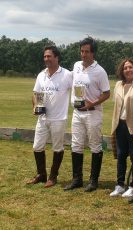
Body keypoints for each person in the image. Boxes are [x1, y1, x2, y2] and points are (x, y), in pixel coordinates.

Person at [64, 37, 110, 192]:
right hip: (77, 112)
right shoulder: (77, 66)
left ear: (93, 53)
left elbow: (107, 93)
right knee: (76, 144)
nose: (83, 55)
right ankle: (77, 179)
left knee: (95, 145)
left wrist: (92, 103)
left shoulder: (100, 71)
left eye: (87, 52)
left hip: (92, 113)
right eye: (82, 51)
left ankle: (93, 181)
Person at [27, 45, 73, 188]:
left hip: (59, 118)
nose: (46, 59)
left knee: (57, 148)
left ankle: (53, 177)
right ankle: (41, 175)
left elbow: (79, 90)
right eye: (45, 56)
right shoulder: (41, 75)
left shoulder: (67, 75)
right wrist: (35, 106)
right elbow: (36, 94)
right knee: (37, 146)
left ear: (57, 57)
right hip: (43, 118)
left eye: (49, 56)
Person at [110, 59, 133, 197]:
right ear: (122, 71)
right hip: (119, 125)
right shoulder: (117, 85)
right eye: (125, 68)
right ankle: (120, 184)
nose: (128, 70)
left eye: (130, 67)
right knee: (121, 155)